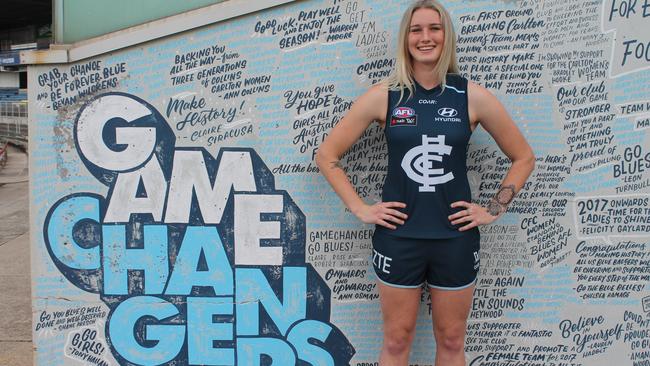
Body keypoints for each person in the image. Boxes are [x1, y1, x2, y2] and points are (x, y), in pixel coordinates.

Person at [315, 0, 535, 365]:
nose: (425, 37)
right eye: (416, 30)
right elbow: (327, 156)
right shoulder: (385, 96)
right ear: (406, 39)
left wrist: (494, 209)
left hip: (455, 240)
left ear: (446, 36)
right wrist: (360, 207)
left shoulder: (470, 95)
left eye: (434, 28)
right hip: (399, 238)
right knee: (397, 341)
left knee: (451, 341)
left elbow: (523, 157)